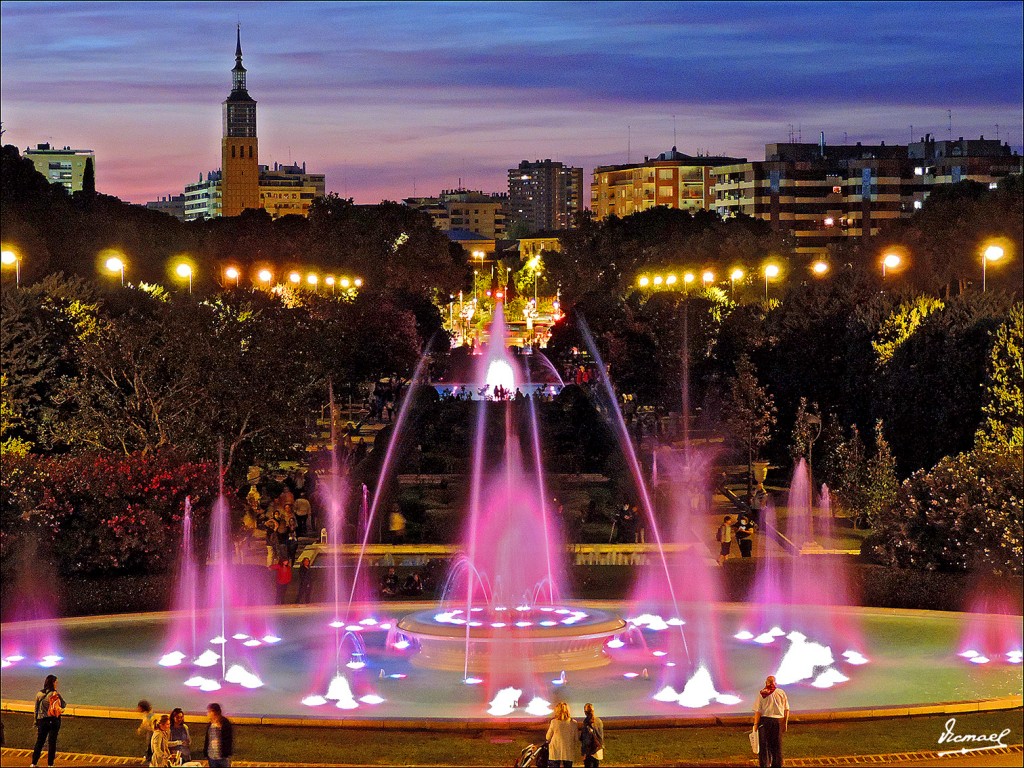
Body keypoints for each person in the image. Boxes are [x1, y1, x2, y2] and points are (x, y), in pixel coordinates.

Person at [753, 675, 789, 768]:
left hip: (765, 721)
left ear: (766, 683)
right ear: (775, 683)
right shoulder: (781, 693)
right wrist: (785, 723)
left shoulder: (762, 693)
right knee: (777, 745)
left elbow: (758, 711)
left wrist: (755, 724)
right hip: (778, 721)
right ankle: (777, 764)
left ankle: (764, 764)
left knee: (763, 745)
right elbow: (786, 709)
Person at [31, 674, 65, 768]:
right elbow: (63, 704)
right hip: (53, 720)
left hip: (42, 720)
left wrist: (35, 721)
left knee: (40, 742)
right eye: (56, 682)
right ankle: (50, 764)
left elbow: (36, 709)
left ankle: (33, 763)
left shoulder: (39, 694)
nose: (57, 684)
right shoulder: (55, 694)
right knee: (52, 742)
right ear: (53, 683)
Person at [545, 701, 580, 767]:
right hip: (568, 752)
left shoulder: (554, 722)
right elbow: (576, 738)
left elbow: (548, 737)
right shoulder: (573, 723)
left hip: (555, 752)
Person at [202, 703, 234, 768]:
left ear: (214, 712)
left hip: (222, 757)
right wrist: (206, 752)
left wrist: (219, 728)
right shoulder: (210, 724)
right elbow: (208, 739)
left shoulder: (225, 723)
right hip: (212, 756)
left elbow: (228, 739)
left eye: (209, 711)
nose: (207, 713)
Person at [579, 702, 604, 768]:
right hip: (598, 750)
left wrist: (584, 752)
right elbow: (601, 736)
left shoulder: (586, 722)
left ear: (585, 712)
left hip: (590, 752)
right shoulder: (599, 721)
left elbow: (586, 739)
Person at [137, 699, 158, 765]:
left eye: (139, 707)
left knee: (150, 746)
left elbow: (149, 724)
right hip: (149, 732)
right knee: (149, 745)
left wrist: (141, 729)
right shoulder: (147, 715)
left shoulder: (149, 716)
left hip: (152, 732)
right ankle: (148, 758)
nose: (138, 709)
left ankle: (149, 759)